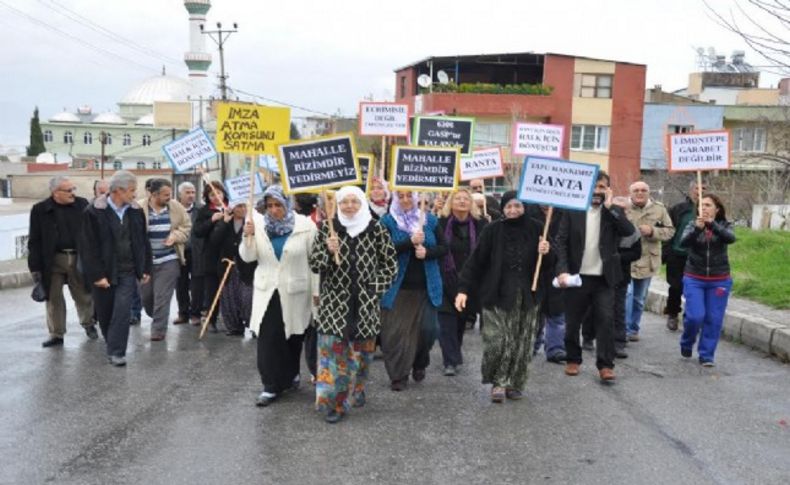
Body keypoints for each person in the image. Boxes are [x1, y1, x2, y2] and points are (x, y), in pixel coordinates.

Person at [309, 186, 397, 423]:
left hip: (365, 306)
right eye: (344, 202)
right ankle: (334, 404)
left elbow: (390, 265)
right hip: (334, 306)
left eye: (354, 202)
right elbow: (315, 264)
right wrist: (328, 251)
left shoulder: (375, 228)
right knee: (333, 356)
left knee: (361, 357)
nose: (349, 206)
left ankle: (357, 388)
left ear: (362, 203)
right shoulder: (328, 228)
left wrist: (374, 289)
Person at [455, 191, 551, 402]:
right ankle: (498, 382)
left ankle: (514, 383)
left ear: (524, 207)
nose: (513, 210)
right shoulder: (493, 230)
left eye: (517, 206)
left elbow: (550, 264)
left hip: (528, 295)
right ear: (503, 208)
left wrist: (546, 250)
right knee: (497, 341)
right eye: (508, 206)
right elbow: (476, 261)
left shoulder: (538, 228)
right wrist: (463, 289)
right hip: (496, 294)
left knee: (521, 343)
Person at [241, 185, 318, 407]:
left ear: (287, 204)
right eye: (270, 206)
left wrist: (316, 292)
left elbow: (315, 262)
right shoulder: (257, 225)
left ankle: (291, 374)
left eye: (278, 205)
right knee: (268, 337)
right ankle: (270, 386)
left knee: (293, 336)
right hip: (268, 290)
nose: (274, 210)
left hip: (296, 290)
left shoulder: (305, 226)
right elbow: (247, 257)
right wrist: (248, 236)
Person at [555, 171, 636, 382]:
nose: (596, 191)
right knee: (572, 322)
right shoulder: (572, 210)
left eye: (601, 187)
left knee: (605, 320)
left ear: (607, 190)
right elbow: (561, 242)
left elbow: (629, 232)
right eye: (593, 186)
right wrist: (562, 270)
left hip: (604, 278)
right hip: (576, 277)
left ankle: (606, 365)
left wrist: (611, 209)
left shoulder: (613, 211)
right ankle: (573, 358)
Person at [80, 171, 152, 366]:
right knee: (105, 313)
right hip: (103, 273)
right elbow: (87, 247)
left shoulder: (136, 210)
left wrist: (145, 268)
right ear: (118, 191)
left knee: (122, 311)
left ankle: (117, 352)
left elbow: (143, 241)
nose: (135, 195)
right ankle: (112, 344)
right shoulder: (93, 211)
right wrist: (96, 275)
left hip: (128, 271)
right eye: (131, 190)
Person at [380, 191, 447, 391]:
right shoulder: (388, 221)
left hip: (426, 286)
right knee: (395, 334)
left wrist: (428, 252)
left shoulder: (431, 220)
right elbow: (382, 250)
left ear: (417, 197)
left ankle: (420, 359)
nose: (405, 200)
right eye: (400, 196)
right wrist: (408, 242)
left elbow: (444, 248)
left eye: (409, 195)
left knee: (429, 329)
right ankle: (398, 375)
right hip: (398, 287)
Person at [28, 175, 97, 347]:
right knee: (53, 298)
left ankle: (89, 324)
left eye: (73, 189)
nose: (72, 193)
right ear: (55, 192)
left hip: (78, 257)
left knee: (83, 294)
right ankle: (56, 334)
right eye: (68, 190)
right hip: (52, 260)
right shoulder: (40, 209)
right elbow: (34, 240)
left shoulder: (82, 204)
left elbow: (92, 233)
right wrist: (35, 267)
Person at [678, 194, 736, 367]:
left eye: (708, 205)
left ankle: (706, 354)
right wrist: (697, 229)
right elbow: (683, 243)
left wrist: (713, 225)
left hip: (719, 280)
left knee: (713, 318)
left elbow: (730, 238)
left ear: (717, 209)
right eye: (701, 205)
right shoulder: (692, 225)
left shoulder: (725, 225)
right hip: (694, 278)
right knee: (695, 317)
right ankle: (687, 342)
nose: (704, 208)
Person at [437, 188, 487, 376]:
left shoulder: (481, 224)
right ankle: (450, 360)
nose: (462, 201)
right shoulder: (440, 222)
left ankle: (454, 352)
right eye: (457, 198)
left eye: (465, 199)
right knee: (446, 321)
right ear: (451, 202)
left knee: (459, 321)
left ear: (471, 203)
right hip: (445, 278)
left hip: (469, 282)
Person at [139, 179, 191, 341]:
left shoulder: (176, 207)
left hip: (169, 259)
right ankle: (155, 314)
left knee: (163, 296)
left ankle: (158, 331)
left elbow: (186, 227)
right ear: (154, 194)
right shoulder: (139, 208)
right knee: (147, 298)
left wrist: (175, 236)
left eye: (170, 194)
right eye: (165, 195)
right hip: (146, 262)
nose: (169, 197)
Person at [625, 181, 674, 342]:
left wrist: (653, 231)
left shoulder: (659, 209)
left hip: (647, 260)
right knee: (627, 294)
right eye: (636, 190)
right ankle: (623, 329)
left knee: (639, 298)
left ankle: (633, 329)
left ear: (648, 192)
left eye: (643, 190)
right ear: (630, 192)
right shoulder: (622, 207)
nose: (640, 193)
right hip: (625, 259)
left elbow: (670, 231)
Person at [526, 203, 567, 364]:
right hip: (533, 267)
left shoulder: (565, 212)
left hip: (558, 266)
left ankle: (555, 348)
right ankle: (532, 344)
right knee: (534, 310)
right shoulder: (527, 210)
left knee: (557, 310)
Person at [663, 180, 705, 331]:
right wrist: (666, 251)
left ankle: (692, 317)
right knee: (676, 286)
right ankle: (672, 314)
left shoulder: (708, 210)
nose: (700, 191)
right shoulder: (678, 209)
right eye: (697, 188)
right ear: (690, 190)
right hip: (677, 253)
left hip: (698, 256)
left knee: (694, 289)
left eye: (704, 188)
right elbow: (668, 229)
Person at [210, 203, 253, 336]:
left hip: (246, 266)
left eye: (245, 206)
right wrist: (223, 223)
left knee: (248, 297)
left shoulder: (252, 222)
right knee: (229, 297)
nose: (242, 210)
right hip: (227, 266)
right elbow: (214, 241)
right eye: (239, 206)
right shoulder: (225, 222)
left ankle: (253, 324)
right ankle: (234, 326)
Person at [193, 181, 229, 332]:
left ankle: (233, 320)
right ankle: (211, 319)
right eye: (212, 194)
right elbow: (198, 231)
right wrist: (212, 220)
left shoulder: (232, 208)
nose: (215, 197)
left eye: (218, 193)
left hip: (230, 254)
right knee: (212, 290)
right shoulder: (204, 211)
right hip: (211, 256)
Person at [175, 181, 204, 325]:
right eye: (187, 192)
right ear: (180, 194)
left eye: (193, 192)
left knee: (197, 283)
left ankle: (196, 313)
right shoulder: (173, 208)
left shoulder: (201, 209)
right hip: (179, 252)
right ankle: (183, 313)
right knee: (181, 283)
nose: (191, 195)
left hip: (198, 252)